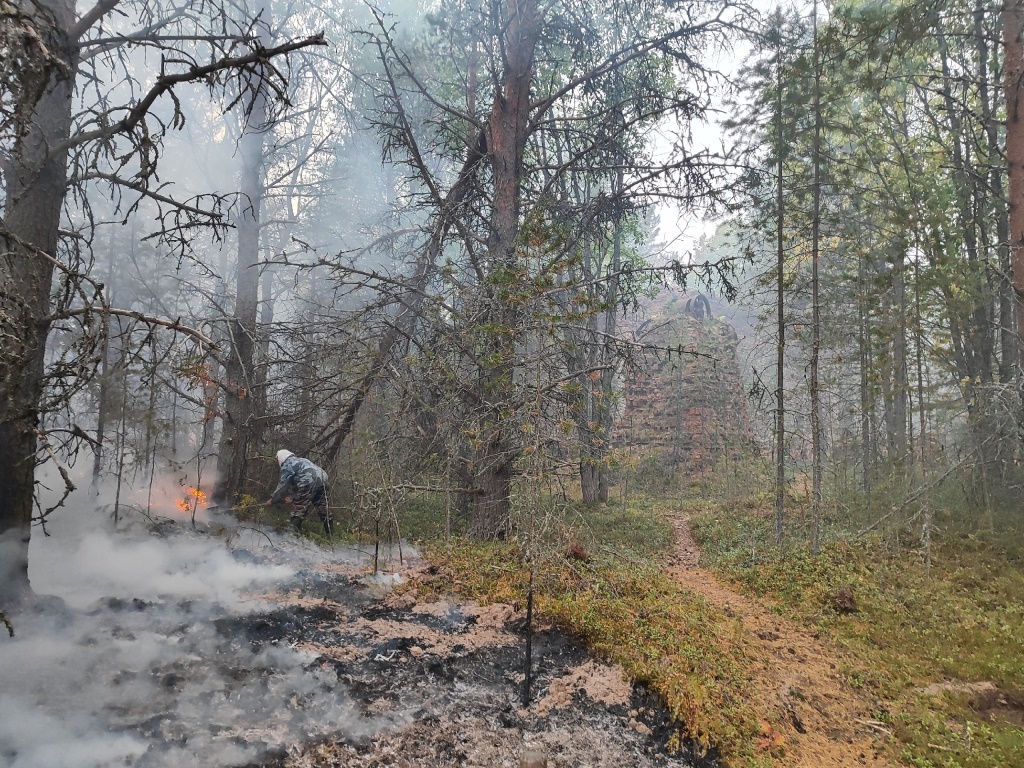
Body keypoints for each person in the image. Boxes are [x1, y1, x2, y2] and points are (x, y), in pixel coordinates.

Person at [266, 449, 334, 536]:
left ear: (281, 457)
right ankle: (331, 535)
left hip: (308, 480)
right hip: (323, 478)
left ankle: (292, 537)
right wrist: (292, 497)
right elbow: (298, 483)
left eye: (277, 459)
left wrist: (272, 500)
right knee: (323, 508)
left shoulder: (287, 464)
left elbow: (283, 485)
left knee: (298, 509)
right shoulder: (301, 460)